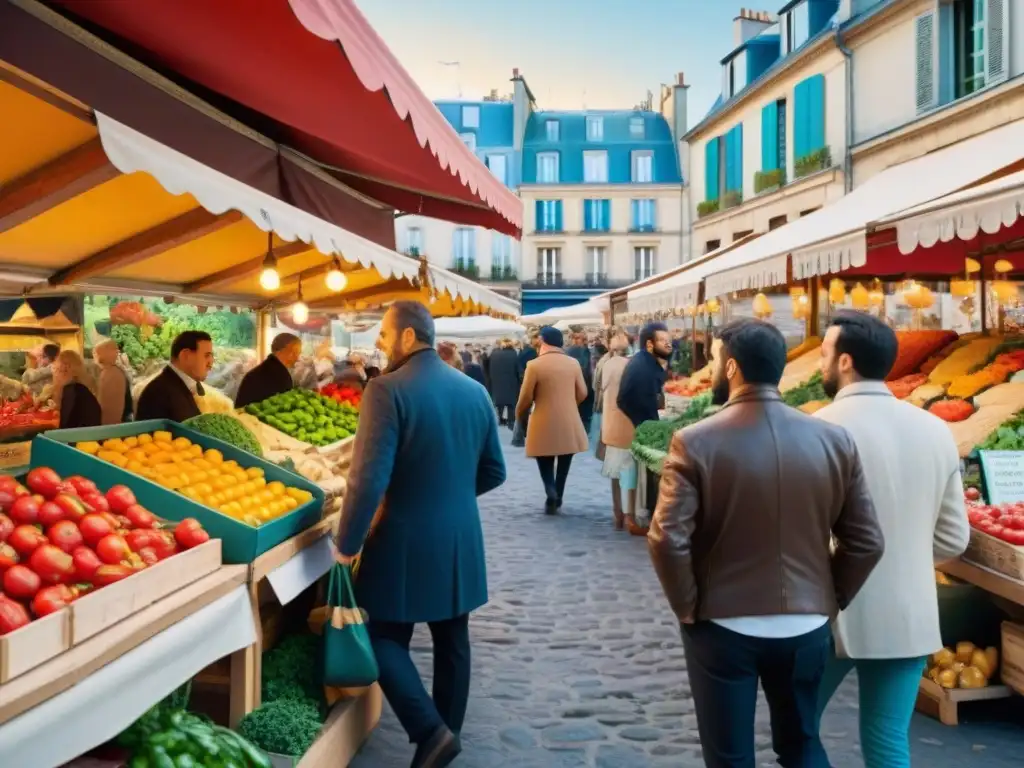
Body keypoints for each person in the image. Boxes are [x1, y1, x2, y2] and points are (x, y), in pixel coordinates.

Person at [648, 318, 885, 768]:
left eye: (717, 360)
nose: (715, 368)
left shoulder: (696, 441)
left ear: (732, 367)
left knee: (731, 755)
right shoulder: (834, 440)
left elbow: (667, 538)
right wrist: (828, 598)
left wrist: (689, 606)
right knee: (803, 744)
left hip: (723, 624)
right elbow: (867, 542)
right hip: (806, 623)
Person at [334, 301, 505, 767]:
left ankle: (430, 732)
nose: (380, 345)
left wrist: (346, 546)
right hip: (460, 536)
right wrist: (448, 493)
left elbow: (366, 479)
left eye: (385, 337)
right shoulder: (474, 391)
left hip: (403, 534)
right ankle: (445, 736)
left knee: (380, 633)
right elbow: (494, 470)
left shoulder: (385, 389)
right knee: (453, 640)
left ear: (409, 337)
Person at [814, 311, 969, 768]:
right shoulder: (936, 429)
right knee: (887, 742)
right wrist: (905, 558)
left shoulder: (818, 428)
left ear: (844, 362)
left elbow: (804, 533)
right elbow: (954, 537)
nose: (821, 363)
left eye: (823, 354)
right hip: (908, 610)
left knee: (799, 728)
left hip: (830, 612)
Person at [515, 326, 588, 514]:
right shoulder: (573, 363)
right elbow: (583, 392)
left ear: (543, 341)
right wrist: (570, 404)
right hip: (568, 417)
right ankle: (559, 494)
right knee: (565, 459)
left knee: (544, 458)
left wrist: (520, 414)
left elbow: (525, 397)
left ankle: (550, 490)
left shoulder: (535, 365)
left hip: (542, 417)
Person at [617, 322, 672, 528]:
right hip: (648, 425)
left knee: (653, 474)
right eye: (663, 341)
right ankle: (652, 516)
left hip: (649, 424)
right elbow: (623, 398)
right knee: (653, 473)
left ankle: (652, 514)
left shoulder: (648, 362)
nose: (669, 344)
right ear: (650, 344)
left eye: (669, 340)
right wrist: (644, 423)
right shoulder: (642, 366)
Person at [595, 331, 640, 531]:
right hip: (628, 421)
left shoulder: (604, 365)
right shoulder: (631, 366)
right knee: (629, 468)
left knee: (614, 470)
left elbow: (597, 388)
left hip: (610, 421)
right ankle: (630, 513)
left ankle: (617, 514)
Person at [136, 331, 214, 422]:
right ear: (185, 356)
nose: (211, 362)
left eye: (212, 356)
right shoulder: (159, 392)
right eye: (206, 355)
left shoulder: (181, 387)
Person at [234, 333, 301, 408]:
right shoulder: (281, 377)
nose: (297, 358)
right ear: (290, 352)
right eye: (297, 353)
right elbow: (284, 410)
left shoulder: (257, 371)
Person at [53, 350, 101, 429]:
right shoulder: (80, 388)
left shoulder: (71, 391)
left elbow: (65, 428)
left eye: (56, 370)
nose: (55, 375)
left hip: (81, 439)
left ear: (65, 369)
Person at [95, 339, 133, 425]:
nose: (95, 356)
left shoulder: (112, 374)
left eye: (96, 353)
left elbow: (112, 413)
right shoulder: (110, 372)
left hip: (115, 430)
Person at [566, 332, 594, 434]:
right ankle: (584, 431)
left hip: (573, 387)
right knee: (585, 412)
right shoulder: (585, 351)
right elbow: (587, 370)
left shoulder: (568, 351)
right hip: (585, 385)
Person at [487, 339, 519, 427]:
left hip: (497, 381)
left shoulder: (494, 354)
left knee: (500, 401)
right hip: (511, 381)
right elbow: (517, 368)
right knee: (511, 402)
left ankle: (500, 419)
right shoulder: (514, 354)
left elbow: (489, 367)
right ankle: (511, 420)